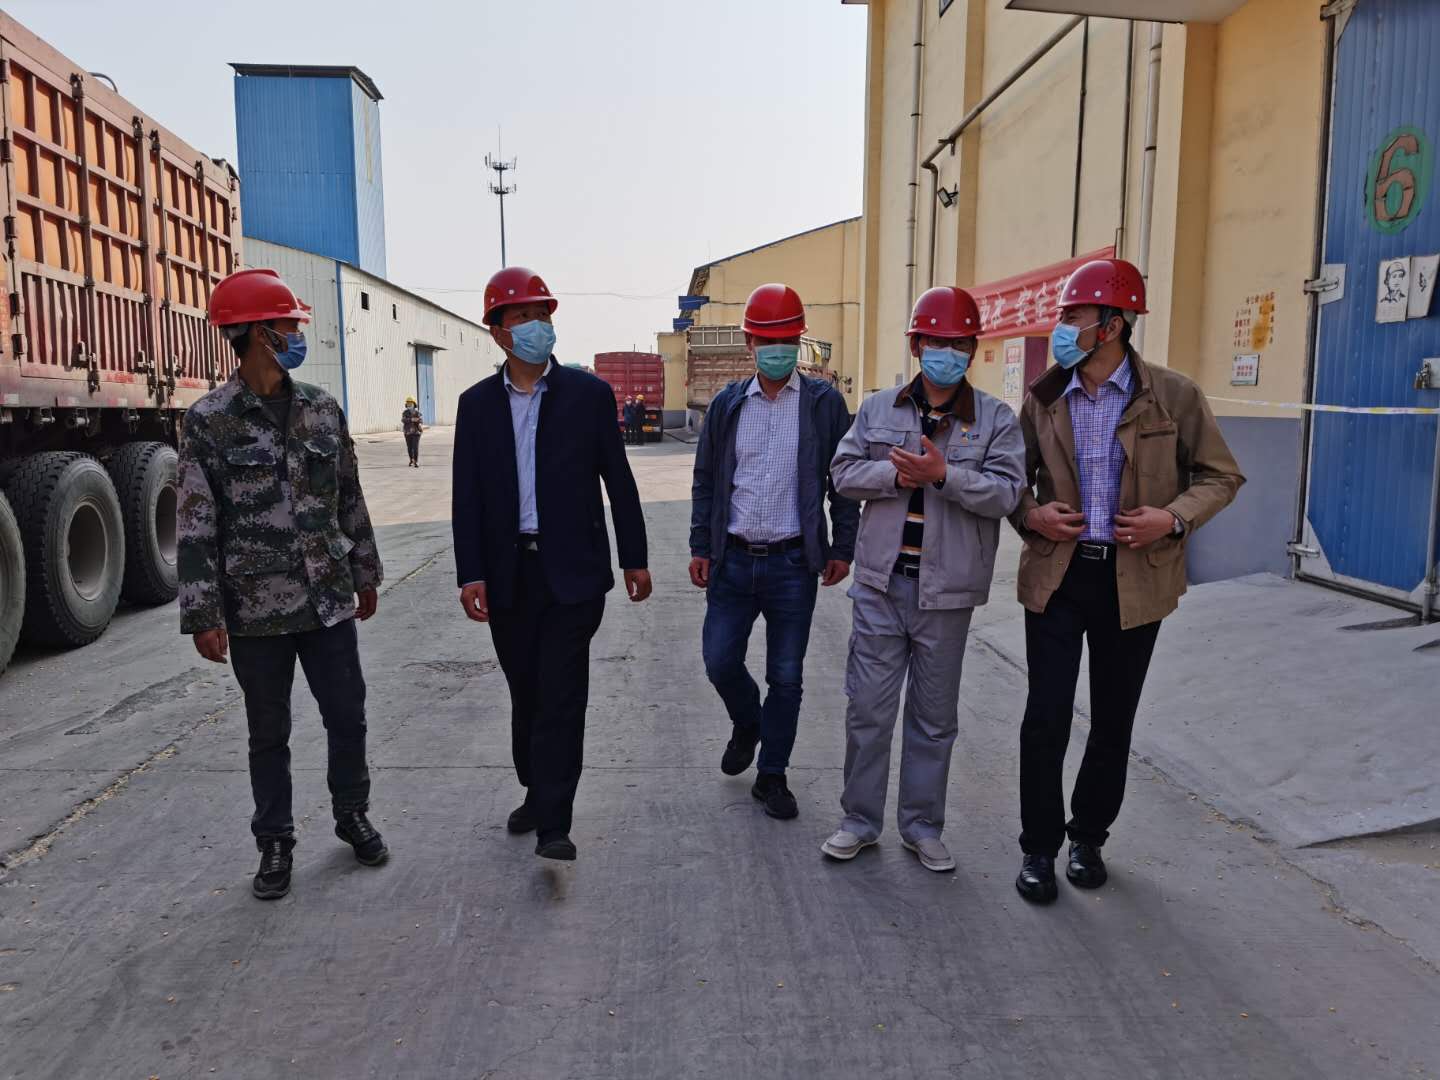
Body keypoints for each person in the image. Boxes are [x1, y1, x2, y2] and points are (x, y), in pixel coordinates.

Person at [1010, 257, 1244, 904]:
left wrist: (1172, 518)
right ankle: (1038, 848)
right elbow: (1011, 480)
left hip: (1135, 581)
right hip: (1058, 578)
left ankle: (1088, 838)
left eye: (1074, 316)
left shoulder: (1173, 395)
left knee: (1113, 719)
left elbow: (1221, 476)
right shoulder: (1044, 397)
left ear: (1111, 325)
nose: (1062, 327)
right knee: (1045, 718)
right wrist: (1032, 514)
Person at [177, 268, 386, 901]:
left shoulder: (321, 408)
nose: (297, 335)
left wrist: (366, 570)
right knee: (268, 733)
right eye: (287, 325)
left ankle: (351, 813)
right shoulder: (209, 421)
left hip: (328, 600)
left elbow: (348, 495)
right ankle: (275, 840)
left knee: (347, 716)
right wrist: (203, 613)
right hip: (255, 609)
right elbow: (196, 522)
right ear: (253, 333)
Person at [452, 266, 652, 861]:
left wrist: (635, 557)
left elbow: (618, 480)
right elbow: (467, 496)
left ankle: (555, 823)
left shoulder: (589, 396)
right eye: (522, 317)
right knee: (527, 691)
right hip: (508, 573)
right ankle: (537, 790)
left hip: (574, 573)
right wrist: (470, 572)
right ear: (497, 331)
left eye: (542, 315)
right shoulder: (476, 406)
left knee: (562, 694)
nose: (536, 326)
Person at [823, 287, 1024, 870]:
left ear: (973, 350)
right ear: (916, 345)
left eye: (960, 343)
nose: (948, 353)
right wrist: (894, 475)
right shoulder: (878, 409)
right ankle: (859, 821)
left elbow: (1008, 494)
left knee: (934, 721)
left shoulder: (996, 419)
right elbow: (842, 473)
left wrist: (944, 476)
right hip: (881, 586)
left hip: (947, 594)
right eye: (937, 341)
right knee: (868, 711)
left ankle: (921, 826)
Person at [688, 283, 859, 820]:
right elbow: (706, 480)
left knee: (786, 676)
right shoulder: (728, 405)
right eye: (767, 339)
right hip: (733, 559)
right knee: (719, 661)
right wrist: (701, 544)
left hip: (792, 563)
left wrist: (842, 546)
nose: (777, 349)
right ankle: (748, 722)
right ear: (750, 343)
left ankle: (772, 776)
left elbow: (843, 482)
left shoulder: (824, 405)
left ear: (798, 340)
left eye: (786, 339)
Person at [402, 396, 424, 467]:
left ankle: (416, 461)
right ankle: (411, 459)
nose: (409, 405)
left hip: (416, 432)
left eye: (410, 404)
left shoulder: (417, 413)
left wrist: (418, 421)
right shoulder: (405, 413)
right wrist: (411, 419)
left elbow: (421, 420)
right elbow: (403, 420)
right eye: (408, 404)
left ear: (414, 404)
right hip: (407, 432)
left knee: (415, 447)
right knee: (409, 447)